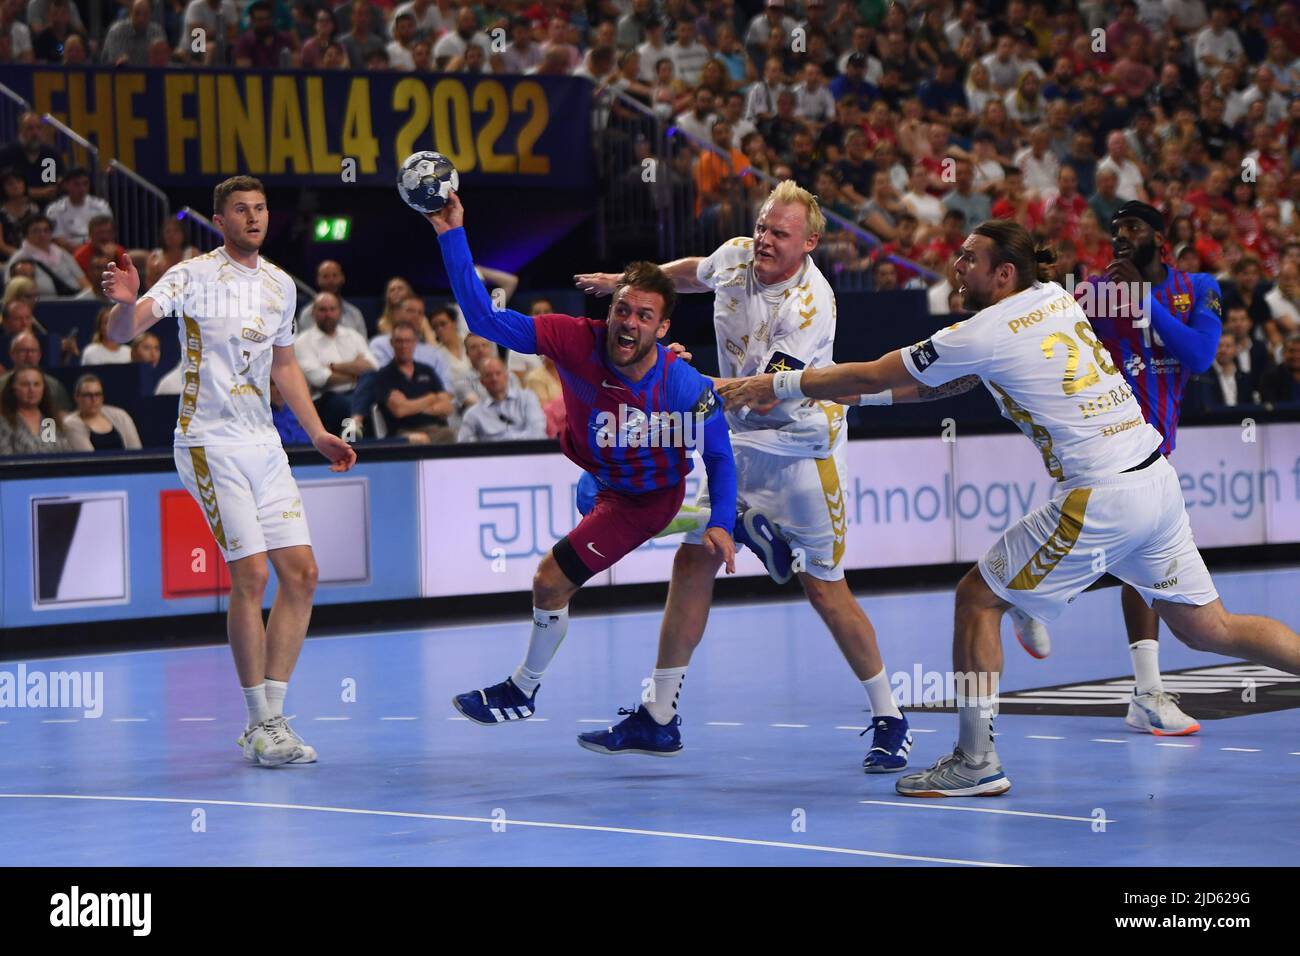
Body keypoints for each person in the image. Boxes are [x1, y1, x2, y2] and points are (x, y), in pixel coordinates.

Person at [719, 219, 1300, 797]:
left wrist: (784, 386)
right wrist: (846, 395)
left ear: (1003, 273)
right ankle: (1036, 605)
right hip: (1155, 481)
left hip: (1102, 494)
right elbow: (936, 385)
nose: (956, 266)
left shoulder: (984, 331)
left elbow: (881, 371)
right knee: (1210, 629)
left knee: (977, 597)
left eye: (969, 258)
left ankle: (976, 760)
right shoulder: (1053, 299)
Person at [572, 181, 913, 769]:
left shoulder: (811, 306)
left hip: (804, 452)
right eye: (761, 227)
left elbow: (762, 396)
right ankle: (658, 716)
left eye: (779, 234)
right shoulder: (737, 255)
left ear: (808, 243)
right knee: (692, 559)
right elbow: (691, 273)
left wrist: (672, 377)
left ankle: (891, 719)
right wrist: (626, 285)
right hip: (739, 446)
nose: (763, 239)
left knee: (824, 589)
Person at [428, 190, 738, 729]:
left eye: (644, 315)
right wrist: (450, 231)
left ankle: (522, 690)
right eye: (622, 308)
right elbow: (482, 319)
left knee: (551, 580)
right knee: (578, 521)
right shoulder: (574, 340)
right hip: (597, 478)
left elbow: (720, 455)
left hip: (643, 498)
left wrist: (724, 523)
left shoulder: (684, 385)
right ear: (609, 309)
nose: (629, 322)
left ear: (664, 329)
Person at [101, 174, 356, 767]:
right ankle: (259, 721)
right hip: (206, 442)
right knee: (253, 575)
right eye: (240, 210)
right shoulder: (191, 275)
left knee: (304, 573)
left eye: (261, 208)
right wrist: (122, 303)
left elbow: (286, 366)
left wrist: (316, 432)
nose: (253, 217)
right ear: (220, 220)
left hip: (264, 442)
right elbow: (124, 331)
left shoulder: (279, 286)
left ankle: (273, 717)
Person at [1037, 200, 1221, 735]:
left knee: (1144, 570)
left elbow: (1201, 355)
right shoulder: (1096, 292)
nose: (1121, 237)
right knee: (1128, 557)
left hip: (1155, 455)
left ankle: (1145, 693)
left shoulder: (1200, 286)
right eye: (1114, 230)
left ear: (1160, 239)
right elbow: (1047, 333)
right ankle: (1038, 598)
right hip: (1109, 450)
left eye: (1133, 228)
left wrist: (1144, 301)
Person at [294, 290, 377, 436]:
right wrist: (356, 371)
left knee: (373, 392)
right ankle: (353, 441)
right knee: (346, 404)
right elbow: (320, 379)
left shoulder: (353, 336)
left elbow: (373, 367)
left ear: (339, 312)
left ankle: (357, 425)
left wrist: (334, 367)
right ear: (313, 313)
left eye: (332, 309)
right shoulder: (303, 341)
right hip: (326, 398)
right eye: (322, 310)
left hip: (359, 392)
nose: (328, 314)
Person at [374, 319, 456, 443]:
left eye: (408, 341)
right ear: (392, 343)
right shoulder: (384, 375)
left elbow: (447, 408)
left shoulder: (427, 370)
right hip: (403, 432)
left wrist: (409, 404)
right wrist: (431, 399)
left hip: (436, 429)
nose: (404, 346)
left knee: (453, 434)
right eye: (399, 341)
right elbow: (399, 411)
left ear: (415, 342)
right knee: (421, 440)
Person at [456, 355, 545, 442]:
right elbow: (463, 444)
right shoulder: (473, 414)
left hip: (529, 453)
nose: (494, 378)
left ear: (506, 376)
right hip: (493, 455)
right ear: (482, 382)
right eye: (488, 375)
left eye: (498, 373)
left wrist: (504, 444)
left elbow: (537, 432)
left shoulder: (527, 398)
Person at [5, 214, 92, 296]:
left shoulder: (62, 253)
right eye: (36, 231)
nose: (42, 234)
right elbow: (13, 289)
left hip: (76, 300)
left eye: (46, 230)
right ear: (26, 234)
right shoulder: (19, 258)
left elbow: (83, 281)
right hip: (41, 304)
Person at [62, 373, 143, 451]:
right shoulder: (70, 424)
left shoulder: (120, 415)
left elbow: (136, 450)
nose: (94, 399)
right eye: (88, 395)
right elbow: (89, 459)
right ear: (77, 397)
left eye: (98, 394)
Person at [0, 366, 71, 454]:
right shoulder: (4, 421)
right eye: (25, 384)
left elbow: (57, 451)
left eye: (36, 384)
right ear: (13, 389)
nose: (31, 389)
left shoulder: (48, 420)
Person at [296, 259, 366, 336]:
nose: (331, 280)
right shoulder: (306, 314)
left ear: (342, 278)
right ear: (318, 280)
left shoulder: (355, 314)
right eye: (326, 276)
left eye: (335, 275)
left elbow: (362, 345)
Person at [145, 217, 200, 290]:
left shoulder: (192, 253)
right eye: (168, 231)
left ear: (183, 234)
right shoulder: (154, 257)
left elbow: (198, 280)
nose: (171, 235)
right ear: (162, 235)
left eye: (176, 231)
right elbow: (149, 284)